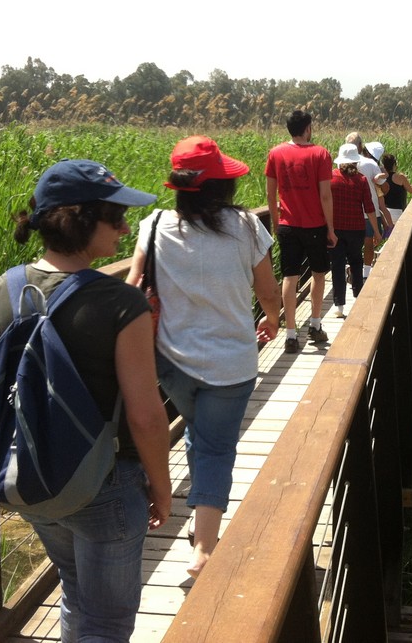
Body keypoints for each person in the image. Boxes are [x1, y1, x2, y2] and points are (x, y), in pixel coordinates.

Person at [0, 159, 172, 642]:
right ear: (80, 219)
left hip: (34, 481)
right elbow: (145, 417)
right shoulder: (121, 303)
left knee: (76, 592)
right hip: (105, 481)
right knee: (105, 621)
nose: (126, 228)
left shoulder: (5, 289)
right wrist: (162, 488)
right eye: (115, 217)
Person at [127, 136, 281, 579]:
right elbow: (267, 290)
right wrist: (271, 319)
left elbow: (134, 288)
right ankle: (203, 550)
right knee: (215, 448)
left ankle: (194, 525)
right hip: (231, 365)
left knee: (199, 431)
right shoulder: (248, 228)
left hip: (171, 364)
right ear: (223, 188)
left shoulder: (154, 225)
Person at [266, 110, 337, 354]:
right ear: (307, 128)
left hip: (288, 225)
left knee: (289, 277)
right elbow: (325, 195)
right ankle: (315, 325)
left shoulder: (275, 153)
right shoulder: (320, 153)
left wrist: (277, 224)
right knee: (319, 275)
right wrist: (331, 228)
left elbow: (270, 195)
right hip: (315, 225)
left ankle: (290, 334)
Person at [329, 143, 380, 318]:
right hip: (356, 229)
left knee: (337, 265)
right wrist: (376, 231)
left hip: (335, 230)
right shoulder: (362, 180)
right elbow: (369, 208)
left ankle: (339, 306)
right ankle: (357, 299)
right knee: (356, 263)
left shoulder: (330, 178)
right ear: (356, 162)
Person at [344, 133, 392, 279]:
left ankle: (352, 269)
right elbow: (385, 189)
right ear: (360, 145)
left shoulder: (341, 164)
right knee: (369, 242)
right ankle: (365, 273)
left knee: (352, 244)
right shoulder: (370, 164)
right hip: (369, 211)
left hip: (349, 211)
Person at [380, 152, 412, 226]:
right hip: (398, 212)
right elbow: (411, 191)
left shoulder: (381, 178)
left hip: (385, 212)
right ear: (394, 165)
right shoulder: (400, 177)